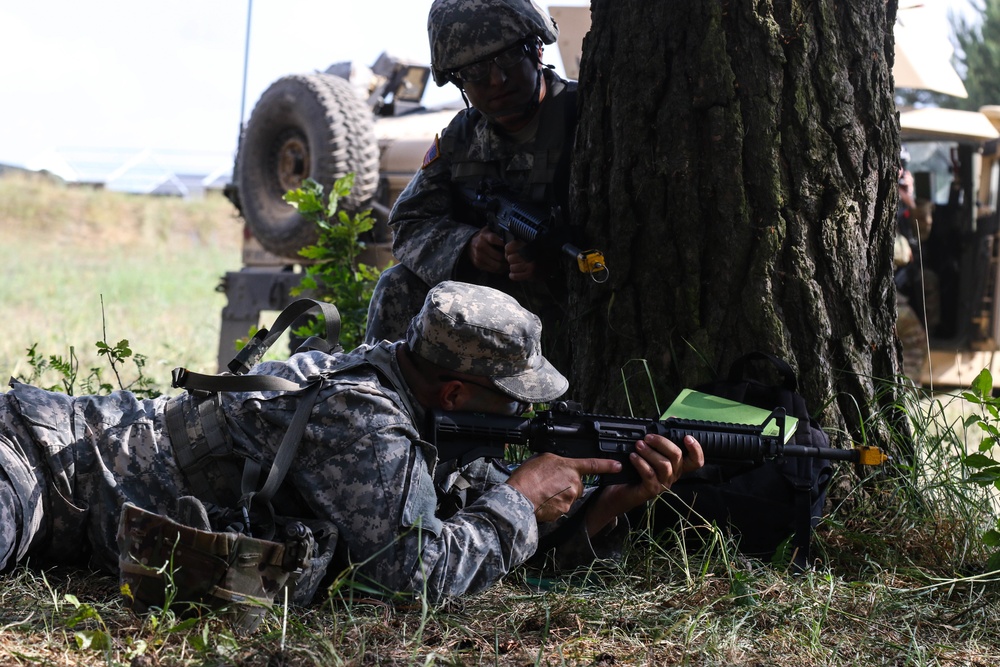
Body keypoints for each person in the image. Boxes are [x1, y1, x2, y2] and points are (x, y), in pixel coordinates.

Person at [0, 281, 704, 606]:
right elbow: (418, 571)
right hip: (40, 457)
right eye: (513, 399)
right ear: (454, 392)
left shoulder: (422, 413)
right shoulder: (362, 417)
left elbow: (483, 542)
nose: (523, 414)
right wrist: (520, 496)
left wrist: (611, 502)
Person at [365, 0, 585, 369]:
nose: (497, 80)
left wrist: (552, 262)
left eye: (509, 58)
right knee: (398, 284)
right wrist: (466, 246)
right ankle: (385, 401)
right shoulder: (461, 138)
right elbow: (408, 224)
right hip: (493, 309)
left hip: (573, 308)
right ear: (457, 80)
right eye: (477, 71)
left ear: (537, 50)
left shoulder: (584, 115)